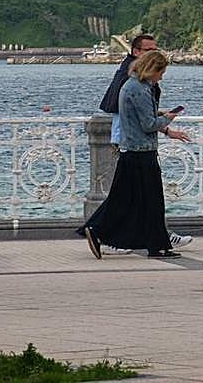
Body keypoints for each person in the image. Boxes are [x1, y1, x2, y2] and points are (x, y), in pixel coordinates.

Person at [81, 50, 191, 259]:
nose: (161, 77)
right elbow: (148, 124)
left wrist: (164, 124)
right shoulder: (139, 89)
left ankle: (101, 231)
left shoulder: (131, 86)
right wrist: (168, 118)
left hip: (131, 151)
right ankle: (155, 245)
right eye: (161, 72)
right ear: (151, 69)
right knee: (151, 201)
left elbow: (139, 117)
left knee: (125, 200)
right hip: (141, 154)